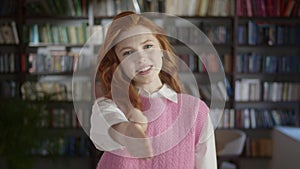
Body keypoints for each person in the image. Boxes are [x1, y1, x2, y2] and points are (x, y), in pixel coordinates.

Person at [90, 11, 217, 169]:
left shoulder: (196, 111)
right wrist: (128, 131)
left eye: (148, 46)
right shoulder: (108, 106)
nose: (141, 58)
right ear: (119, 63)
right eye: (128, 53)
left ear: (162, 49)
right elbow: (107, 127)